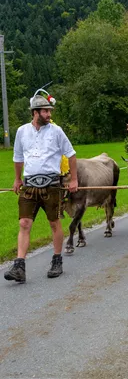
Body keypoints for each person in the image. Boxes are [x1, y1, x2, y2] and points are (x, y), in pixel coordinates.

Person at [4, 91, 78, 283]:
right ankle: (19, 266)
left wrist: (74, 180)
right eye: (45, 111)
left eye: (49, 110)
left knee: (54, 223)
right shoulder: (22, 131)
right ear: (35, 112)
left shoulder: (56, 131)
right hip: (29, 185)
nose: (49, 114)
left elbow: (71, 154)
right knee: (24, 223)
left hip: (51, 185)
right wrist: (17, 179)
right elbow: (18, 158)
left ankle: (57, 261)